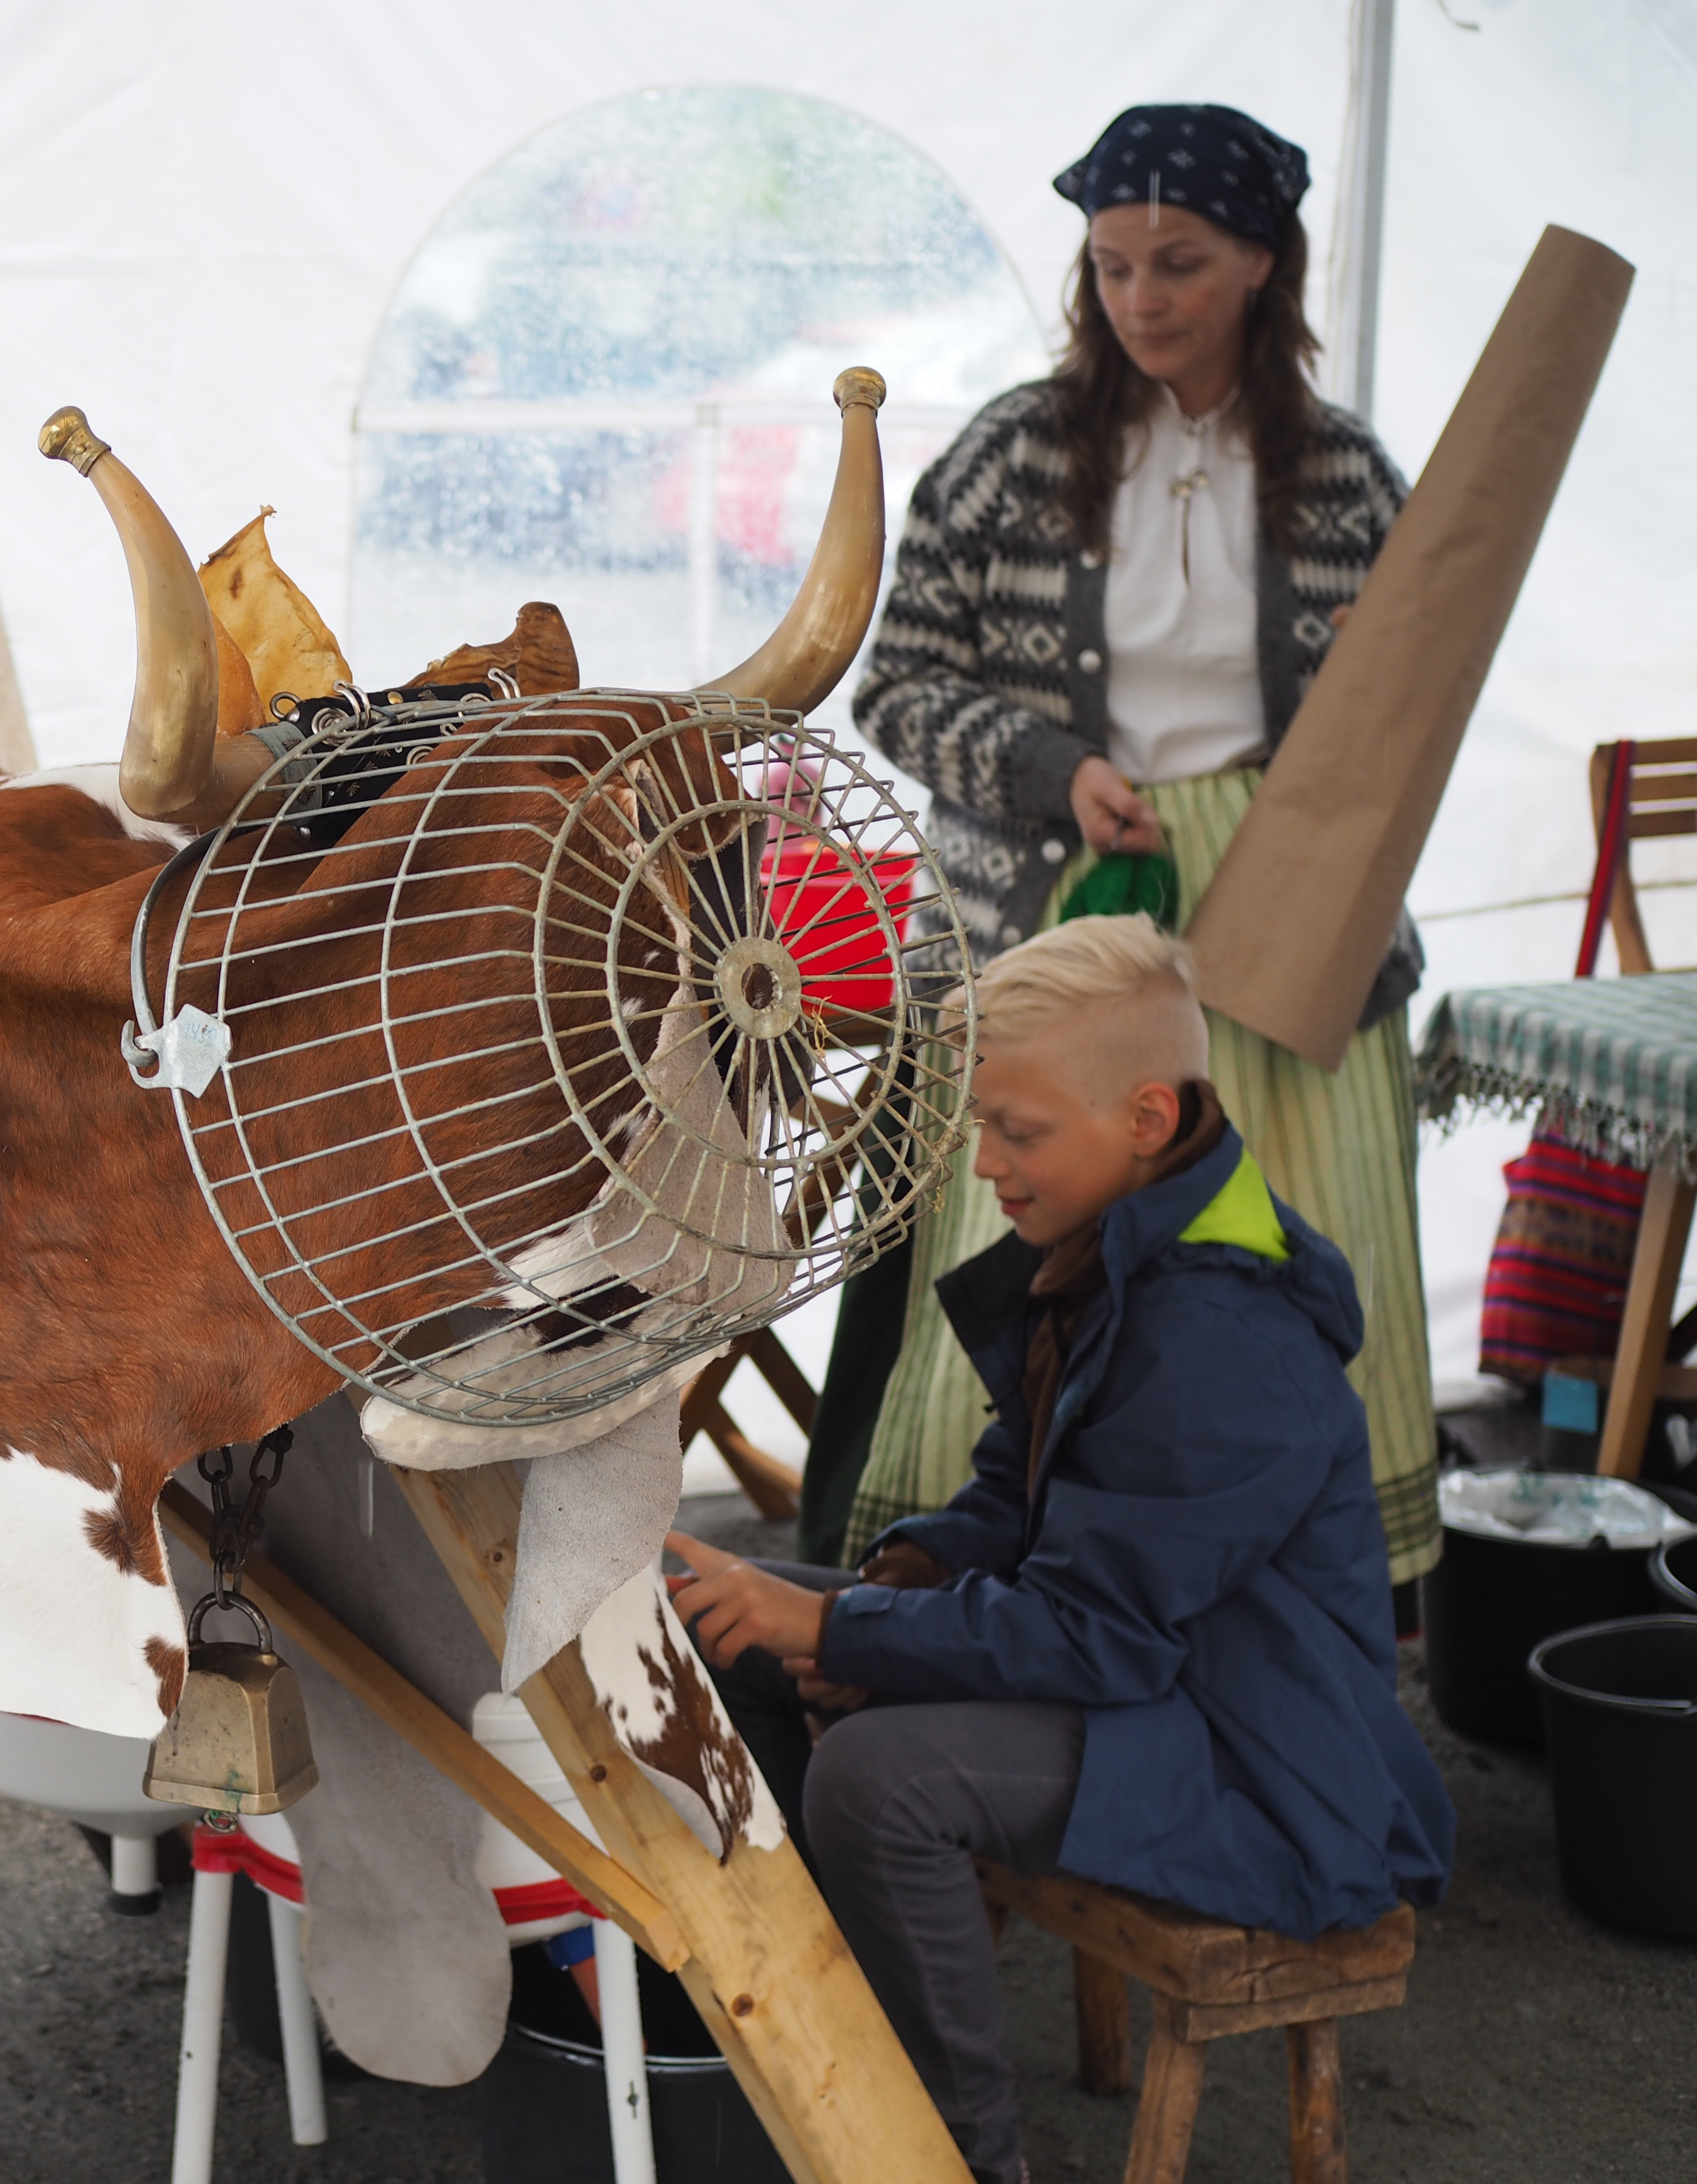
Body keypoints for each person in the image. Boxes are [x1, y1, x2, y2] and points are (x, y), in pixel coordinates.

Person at [668, 916, 1454, 2184]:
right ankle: (825, 2035)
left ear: (1146, 1119)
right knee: (710, 1628)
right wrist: (893, 1593)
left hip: (1269, 1769)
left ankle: (944, 2161)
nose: (985, 1166)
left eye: (1017, 1133)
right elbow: (1014, 1511)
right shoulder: (1115, 1257)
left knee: (875, 1779)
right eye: (982, 1128)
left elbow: (1094, 1627)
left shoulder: (1223, 1338)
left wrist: (840, 1630)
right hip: (1162, 1692)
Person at [797, 103, 1440, 1599]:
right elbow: (896, 680)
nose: (1142, 301)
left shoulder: (1344, 475)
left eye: (1181, 264)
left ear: (1264, 268)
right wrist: (1052, 768)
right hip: (1064, 894)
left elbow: (1421, 696)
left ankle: (1290, 1565)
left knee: (1287, 1232)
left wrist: (1370, 681)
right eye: (1113, 267)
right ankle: (1009, 1555)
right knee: (1051, 1221)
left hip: (1292, 897)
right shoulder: (1017, 453)